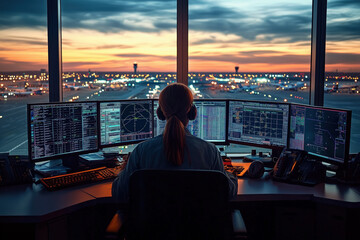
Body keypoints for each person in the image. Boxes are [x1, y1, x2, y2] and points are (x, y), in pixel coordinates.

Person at [112, 83, 237, 202]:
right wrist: (229, 175)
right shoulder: (209, 151)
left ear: (160, 113)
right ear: (193, 112)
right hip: (199, 224)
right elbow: (228, 192)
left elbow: (119, 193)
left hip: (152, 224)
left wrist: (125, 168)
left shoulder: (141, 151)